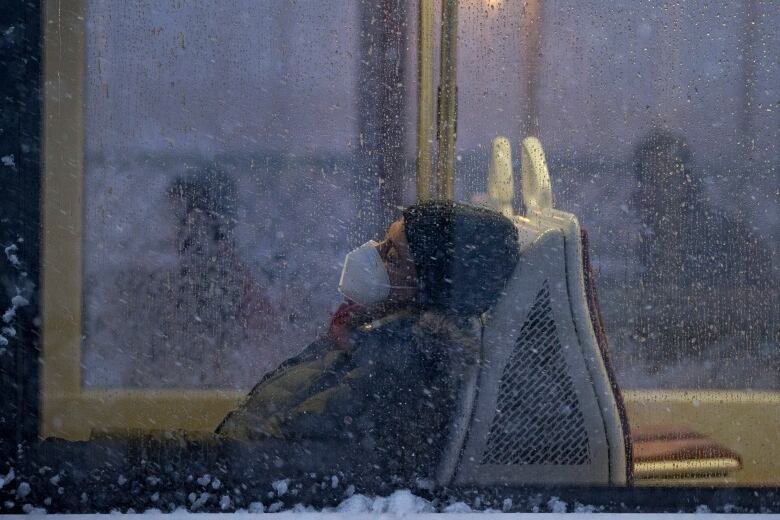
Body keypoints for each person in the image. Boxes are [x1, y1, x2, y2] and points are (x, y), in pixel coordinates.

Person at [216, 201, 520, 484]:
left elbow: (265, 458)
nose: (369, 254)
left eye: (391, 256)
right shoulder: (372, 343)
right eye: (381, 242)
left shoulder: (393, 374)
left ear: (426, 289)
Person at [631, 129, 776, 375]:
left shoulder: (720, 236)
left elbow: (756, 303)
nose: (661, 188)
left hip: (719, 365)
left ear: (686, 180)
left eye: (668, 177)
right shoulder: (645, 239)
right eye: (652, 178)